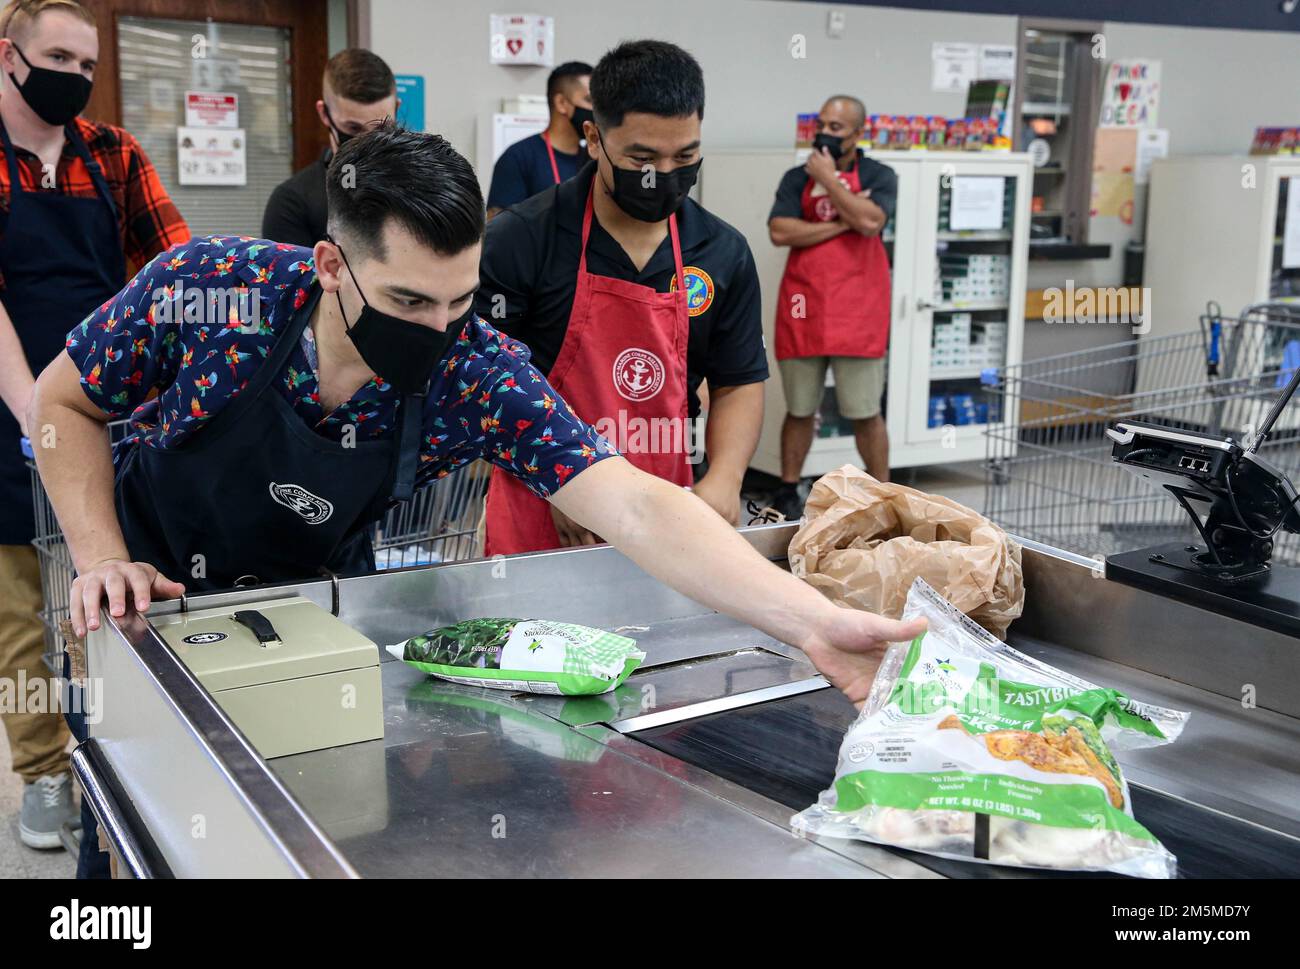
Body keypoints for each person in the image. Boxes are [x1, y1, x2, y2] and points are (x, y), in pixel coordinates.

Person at [30, 123, 924, 874]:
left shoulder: (477, 372)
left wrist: (808, 621)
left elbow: (637, 505)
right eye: (408, 300)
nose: (435, 330)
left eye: (457, 302)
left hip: (310, 612)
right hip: (144, 601)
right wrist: (103, 555)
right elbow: (59, 401)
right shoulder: (216, 291)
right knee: (136, 825)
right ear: (332, 264)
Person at [0, 0, 187, 856]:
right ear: (9, 55)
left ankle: (127, 754)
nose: (75, 76)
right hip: (8, 405)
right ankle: (44, 770)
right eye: (58, 58)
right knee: (22, 613)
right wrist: (37, 419)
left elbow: (175, 268)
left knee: (112, 583)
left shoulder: (112, 154)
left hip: (111, 407)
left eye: (87, 63)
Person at [476, 40, 767, 553]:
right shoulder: (523, 239)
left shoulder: (722, 252)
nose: (665, 174)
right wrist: (560, 478)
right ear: (593, 137)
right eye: (642, 157)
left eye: (686, 155)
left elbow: (737, 380)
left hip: (670, 509)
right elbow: (485, 380)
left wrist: (725, 477)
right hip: (545, 511)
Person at [768, 95, 896, 520]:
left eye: (837, 128)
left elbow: (870, 221)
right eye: (821, 124)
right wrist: (839, 222)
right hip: (804, 306)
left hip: (857, 309)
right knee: (800, 407)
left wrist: (831, 180)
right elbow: (780, 231)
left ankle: (885, 491)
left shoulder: (879, 174)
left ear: (859, 134)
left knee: (864, 411)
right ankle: (788, 488)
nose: (825, 134)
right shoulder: (793, 178)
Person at [261, 47, 397, 247]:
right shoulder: (292, 202)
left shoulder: (422, 185)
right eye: (353, 127)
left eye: (380, 128)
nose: (368, 141)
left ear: (397, 108)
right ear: (324, 113)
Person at [485, 60, 592, 217]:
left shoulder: (594, 159)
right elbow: (497, 229)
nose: (597, 108)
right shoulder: (519, 157)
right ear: (561, 103)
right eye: (589, 100)